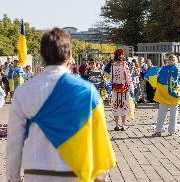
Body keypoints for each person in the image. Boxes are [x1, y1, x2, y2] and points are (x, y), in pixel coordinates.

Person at [6, 28, 116, 182]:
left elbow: (14, 142)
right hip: (76, 173)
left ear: (41, 54)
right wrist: (100, 177)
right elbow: (99, 138)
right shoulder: (88, 91)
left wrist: (13, 178)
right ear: (70, 56)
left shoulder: (24, 92)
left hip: (36, 174)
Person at [152, 54, 180, 137]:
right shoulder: (179, 69)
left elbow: (159, 81)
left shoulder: (164, 69)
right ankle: (172, 130)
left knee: (162, 112)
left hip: (165, 94)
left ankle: (159, 130)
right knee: (174, 113)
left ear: (167, 61)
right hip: (176, 94)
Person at [111, 49, 134, 131]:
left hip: (115, 89)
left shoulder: (113, 66)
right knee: (124, 105)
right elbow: (128, 78)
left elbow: (111, 78)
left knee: (116, 106)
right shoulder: (125, 66)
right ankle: (123, 125)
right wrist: (132, 89)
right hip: (124, 89)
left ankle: (117, 125)